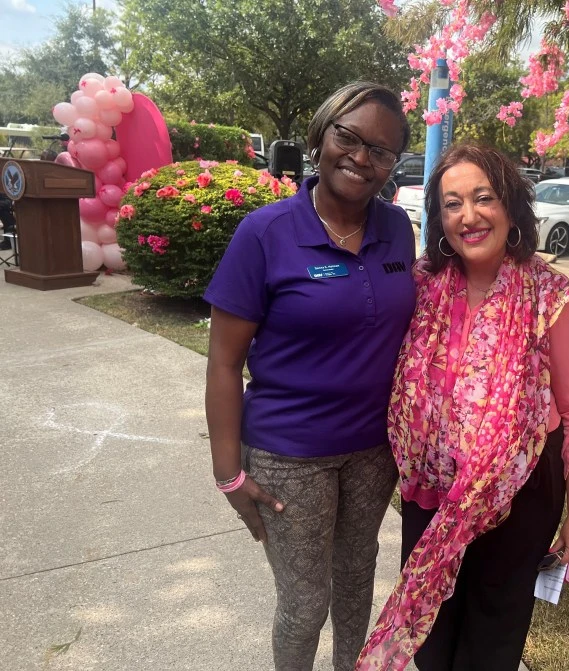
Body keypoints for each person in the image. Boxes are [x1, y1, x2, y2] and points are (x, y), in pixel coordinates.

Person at [357, 144, 569, 671]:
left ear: (510, 207)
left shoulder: (549, 296)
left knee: (492, 635)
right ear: (439, 219)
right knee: (432, 632)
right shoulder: (421, 286)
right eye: (452, 204)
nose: (469, 216)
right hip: (433, 489)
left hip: (520, 492)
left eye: (483, 198)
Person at [204, 81, 416, 671]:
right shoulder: (265, 233)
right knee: (304, 603)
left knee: (356, 583)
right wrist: (228, 471)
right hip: (288, 455)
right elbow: (223, 362)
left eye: (381, 150)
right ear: (320, 136)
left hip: (375, 451)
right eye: (348, 137)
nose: (360, 157)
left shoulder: (398, 229)